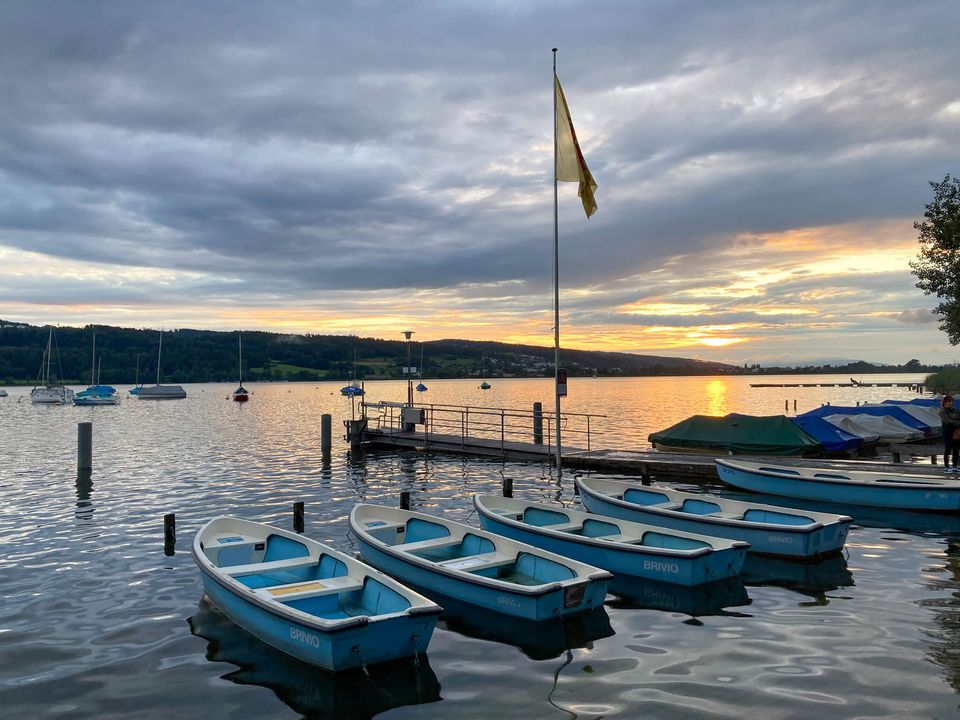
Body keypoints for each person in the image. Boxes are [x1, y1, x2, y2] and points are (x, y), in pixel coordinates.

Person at [939, 395, 960, 472]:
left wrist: (956, 422)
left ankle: (954, 466)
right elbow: (948, 422)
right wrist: (958, 422)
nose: (951, 403)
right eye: (949, 401)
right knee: (948, 449)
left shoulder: (956, 411)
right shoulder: (942, 411)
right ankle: (946, 467)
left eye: (952, 401)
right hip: (947, 431)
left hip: (956, 432)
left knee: (956, 449)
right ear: (945, 403)